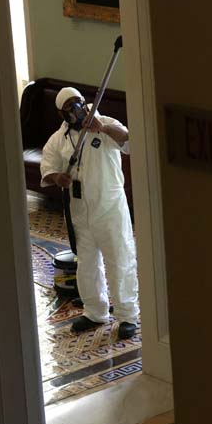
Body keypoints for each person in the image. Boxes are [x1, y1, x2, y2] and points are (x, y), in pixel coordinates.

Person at [40, 87, 138, 339]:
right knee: (86, 263)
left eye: (79, 103)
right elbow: (48, 167)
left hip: (109, 207)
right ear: (63, 114)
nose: (76, 110)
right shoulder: (58, 138)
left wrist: (102, 128)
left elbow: (127, 140)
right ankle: (95, 312)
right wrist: (57, 177)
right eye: (70, 107)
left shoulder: (104, 123)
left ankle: (127, 315)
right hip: (79, 210)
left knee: (119, 259)